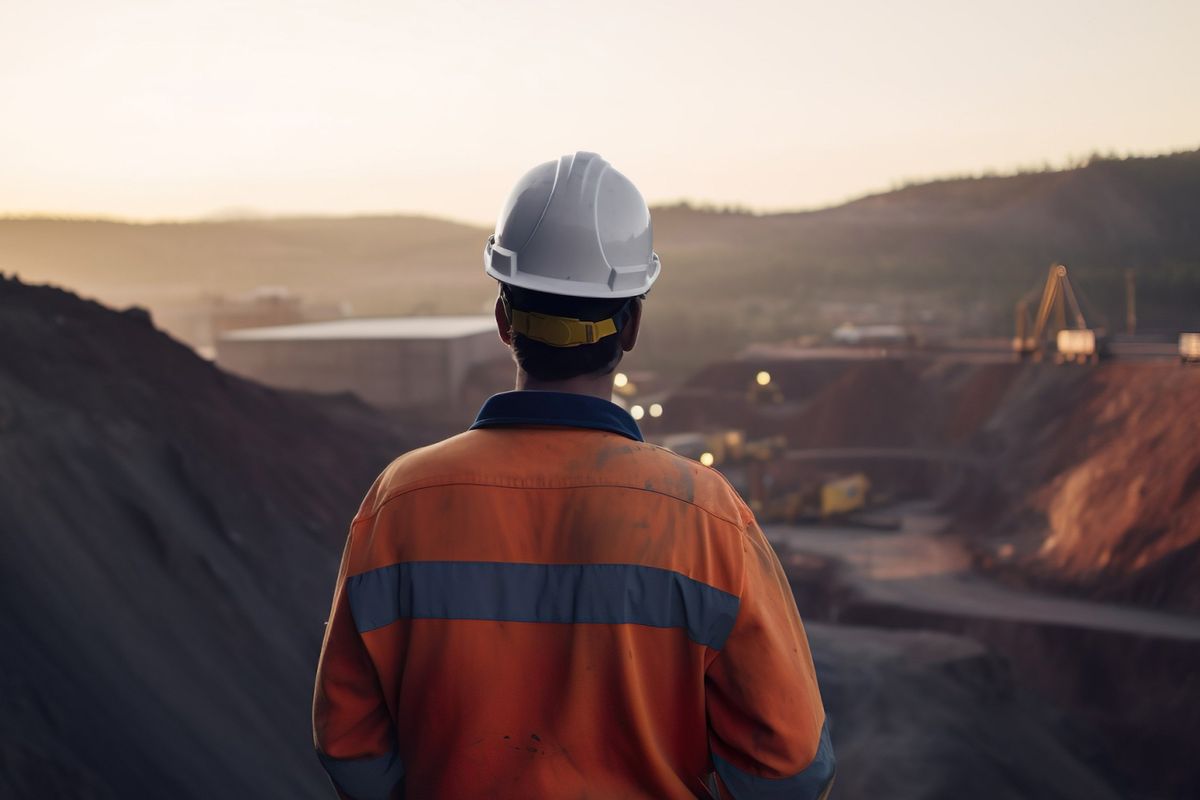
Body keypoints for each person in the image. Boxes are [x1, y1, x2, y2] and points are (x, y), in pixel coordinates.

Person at [311, 151, 835, 799]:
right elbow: (789, 763)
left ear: (504, 323)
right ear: (632, 326)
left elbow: (348, 741)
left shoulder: (402, 501)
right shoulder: (705, 515)